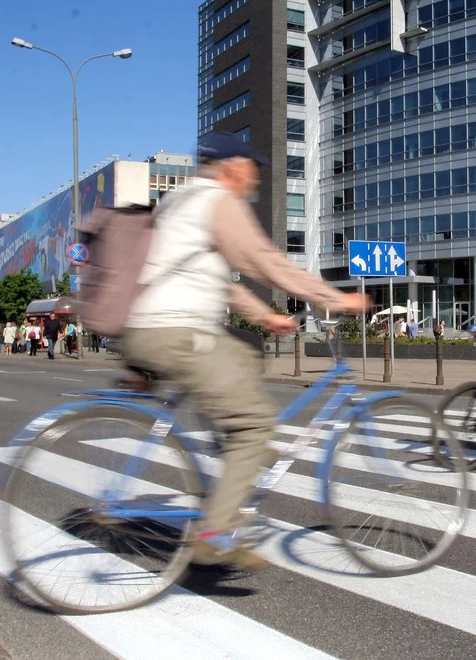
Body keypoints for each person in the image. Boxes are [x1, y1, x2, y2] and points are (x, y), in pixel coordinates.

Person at [122, 132, 370, 570]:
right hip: (179, 332)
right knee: (255, 426)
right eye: (252, 166)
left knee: (245, 354)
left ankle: (232, 443)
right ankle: (217, 531)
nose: (255, 177)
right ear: (234, 165)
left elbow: (215, 278)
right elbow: (264, 260)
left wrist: (264, 318)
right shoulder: (217, 200)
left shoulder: (178, 201)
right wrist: (334, 298)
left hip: (147, 327)